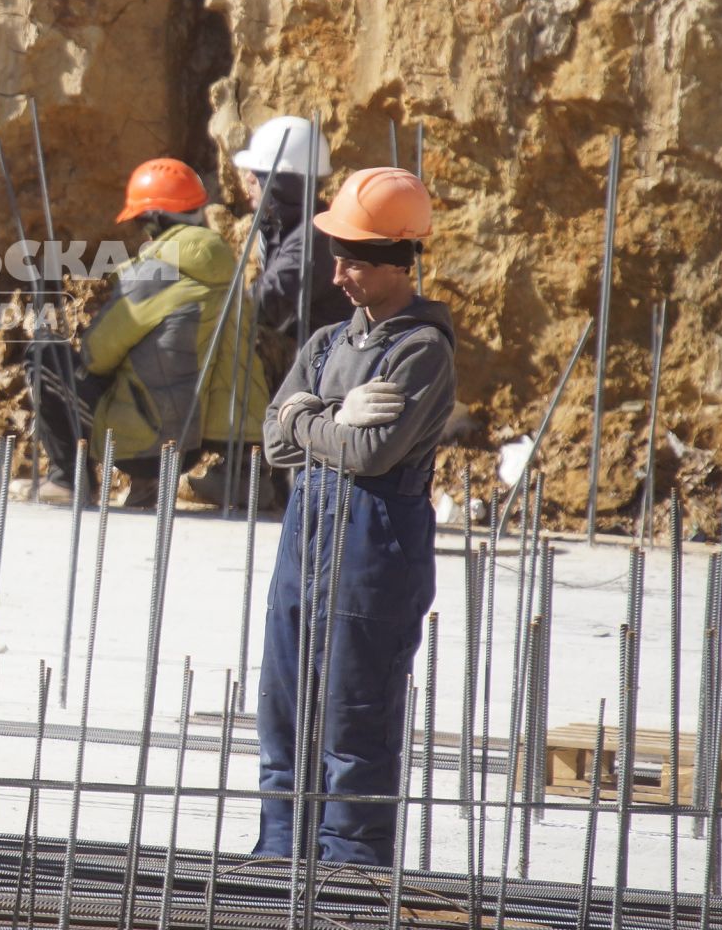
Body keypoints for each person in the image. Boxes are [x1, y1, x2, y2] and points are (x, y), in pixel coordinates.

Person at [254, 166, 455, 868]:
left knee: (353, 723)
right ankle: (278, 863)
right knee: (283, 716)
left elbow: (369, 454)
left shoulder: (421, 351)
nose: (338, 273)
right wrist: (331, 412)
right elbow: (273, 439)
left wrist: (306, 414)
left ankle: (350, 877)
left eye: (355, 260)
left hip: (375, 554)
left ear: (399, 262)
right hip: (305, 544)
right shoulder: (325, 346)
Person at [25, 158, 269, 506]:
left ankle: (67, 479)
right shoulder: (226, 272)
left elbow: (97, 356)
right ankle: (148, 483)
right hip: (197, 443)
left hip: (147, 443)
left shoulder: (158, 272)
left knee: (44, 354)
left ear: (154, 219)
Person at [233, 115, 350, 389]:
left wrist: (205, 311)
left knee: (239, 341)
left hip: (327, 370)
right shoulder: (293, 228)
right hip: (315, 355)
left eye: (258, 173)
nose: (248, 178)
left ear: (279, 185)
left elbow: (265, 303)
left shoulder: (317, 237)